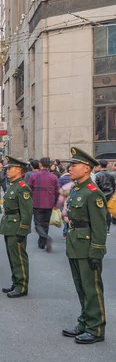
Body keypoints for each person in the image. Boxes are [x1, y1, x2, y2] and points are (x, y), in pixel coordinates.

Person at [62, 147, 107, 344]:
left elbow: (99, 226)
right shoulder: (77, 190)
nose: (70, 169)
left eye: (75, 165)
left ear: (87, 168)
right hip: (75, 244)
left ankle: (96, 328)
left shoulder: (92, 193)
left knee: (92, 288)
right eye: (70, 165)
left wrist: (97, 251)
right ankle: (85, 321)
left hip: (87, 245)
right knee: (81, 287)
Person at [0, 156, 33, 298]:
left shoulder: (22, 188)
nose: (7, 171)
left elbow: (26, 212)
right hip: (9, 225)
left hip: (16, 226)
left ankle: (22, 286)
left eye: (10, 168)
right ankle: (16, 282)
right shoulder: (13, 185)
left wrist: (23, 229)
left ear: (19, 170)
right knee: (12, 256)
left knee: (19, 257)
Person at [28, 157, 60, 252]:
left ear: (40, 164)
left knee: (38, 224)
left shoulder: (34, 176)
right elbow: (57, 191)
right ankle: (42, 243)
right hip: (49, 203)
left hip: (37, 203)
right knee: (45, 223)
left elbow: (29, 189)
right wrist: (56, 203)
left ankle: (45, 238)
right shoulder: (53, 177)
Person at [94, 159, 115, 235]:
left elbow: (95, 186)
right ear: (106, 165)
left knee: (98, 211)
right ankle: (107, 229)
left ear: (99, 165)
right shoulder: (111, 175)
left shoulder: (97, 175)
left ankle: (99, 228)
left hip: (100, 195)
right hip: (109, 195)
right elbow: (113, 185)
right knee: (107, 213)